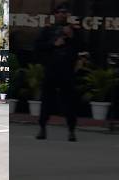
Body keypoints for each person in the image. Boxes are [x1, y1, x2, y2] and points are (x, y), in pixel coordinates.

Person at [34, 3, 84, 142]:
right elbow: (38, 48)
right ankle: (42, 128)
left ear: (68, 14)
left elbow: (82, 46)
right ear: (55, 14)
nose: (62, 14)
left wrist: (72, 36)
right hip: (51, 70)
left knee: (69, 102)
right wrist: (53, 45)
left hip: (67, 71)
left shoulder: (73, 30)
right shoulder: (48, 30)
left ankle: (71, 131)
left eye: (65, 12)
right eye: (60, 12)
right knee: (46, 102)